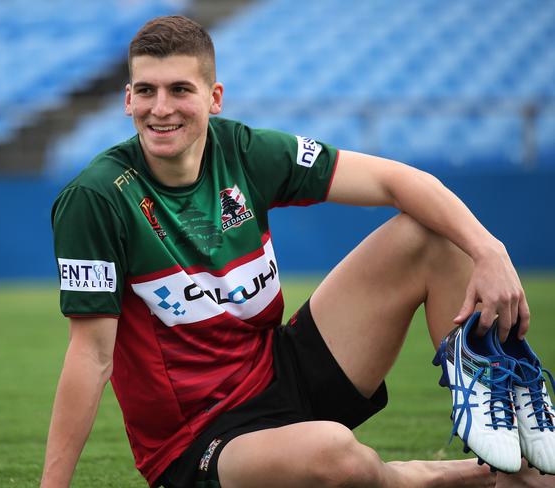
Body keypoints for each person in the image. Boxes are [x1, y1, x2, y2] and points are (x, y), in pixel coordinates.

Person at [41, 15, 554, 488]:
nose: (161, 108)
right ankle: (422, 477)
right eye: (146, 91)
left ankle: (505, 436)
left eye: (180, 89)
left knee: (433, 235)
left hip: (280, 369)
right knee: (335, 454)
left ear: (214, 97)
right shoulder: (97, 198)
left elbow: (396, 180)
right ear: (127, 99)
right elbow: (91, 355)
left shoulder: (243, 151)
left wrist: (491, 251)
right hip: (199, 439)